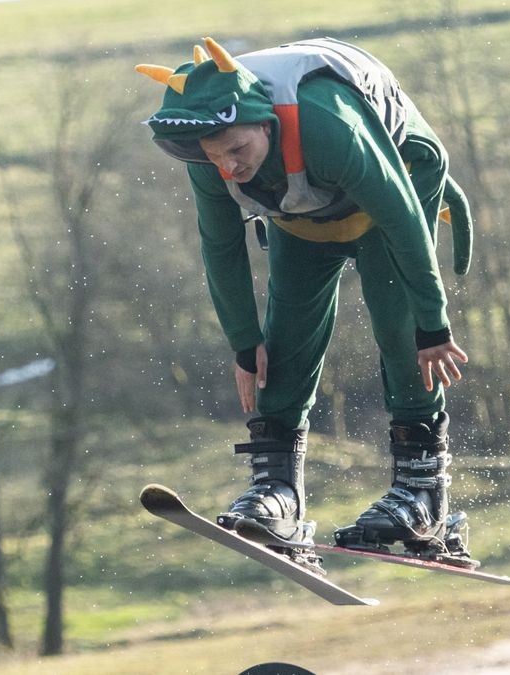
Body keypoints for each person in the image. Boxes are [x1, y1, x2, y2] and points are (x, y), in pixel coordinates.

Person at [135, 37, 476, 568]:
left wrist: (432, 325)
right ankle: (277, 494)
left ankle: (422, 492)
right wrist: (245, 344)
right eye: (214, 156)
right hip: (306, 201)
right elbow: (220, 246)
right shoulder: (210, 148)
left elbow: (405, 219)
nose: (227, 167)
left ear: (264, 123)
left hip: (399, 181)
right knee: (284, 337)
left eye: (236, 151)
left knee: (396, 323)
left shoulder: (325, 125)